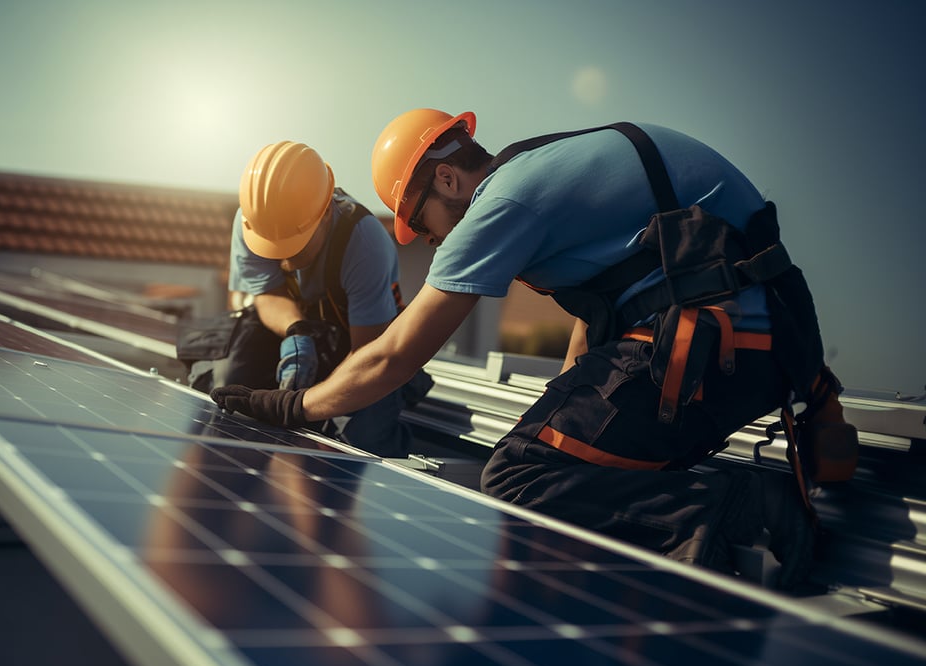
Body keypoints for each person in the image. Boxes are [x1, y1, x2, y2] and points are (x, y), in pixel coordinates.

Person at [213, 109, 855, 588]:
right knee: (553, 445)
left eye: (424, 222)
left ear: (447, 180)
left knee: (520, 474)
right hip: (767, 346)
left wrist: (291, 407)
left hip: (709, 350)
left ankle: (725, 510)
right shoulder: (551, 166)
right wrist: (562, 409)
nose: (433, 243)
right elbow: (597, 318)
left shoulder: (501, 202)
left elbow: (393, 356)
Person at [223, 140, 430, 457]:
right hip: (298, 333)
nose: (283, 259)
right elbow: (267, 294)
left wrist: (303, 404)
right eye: (273, 248)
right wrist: (297, 331)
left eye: (295, 246)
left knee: (361, 438)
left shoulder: (365, 244)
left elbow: (368, 352)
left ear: (324, 214)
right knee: (232, 392)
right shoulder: (254, 221)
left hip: (363, 345)